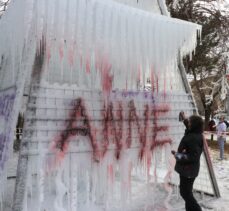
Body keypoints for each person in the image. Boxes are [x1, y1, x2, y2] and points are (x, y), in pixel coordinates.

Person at [172, 112, 204, 211]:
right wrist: (185, 119)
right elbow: (189, 126)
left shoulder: (193, 137)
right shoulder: (195, 132)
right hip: (188, 170)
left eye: (189, 122)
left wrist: (178, 155)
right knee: (187, 193)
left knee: (185, 193)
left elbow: (193, 157)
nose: (188, 123)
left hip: (188, 170)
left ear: (193, 125)